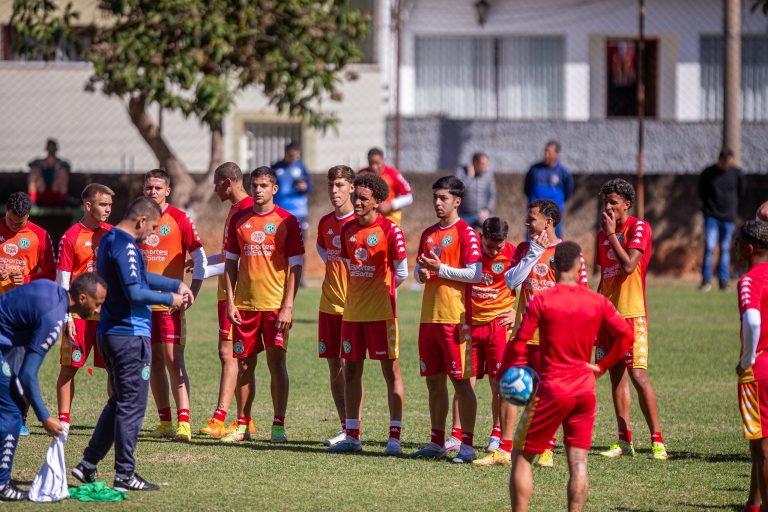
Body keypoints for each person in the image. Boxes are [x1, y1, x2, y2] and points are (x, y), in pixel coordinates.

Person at [72, 197, 193, 492]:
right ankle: (125, 474)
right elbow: (135, 292)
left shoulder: (110, 238)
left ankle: (87, 464)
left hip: (113, 332)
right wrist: (170, 300)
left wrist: (173, 283)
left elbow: (139, 276)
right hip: (128, 334)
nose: (150, 233)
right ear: (140, 221)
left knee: (118, 403)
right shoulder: (125, 244)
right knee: (132, 406)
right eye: (150, 227)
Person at [503, 241, 634, 512]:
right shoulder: (597, 301)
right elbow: (627, 335)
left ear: (553, 265)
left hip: (552, 389)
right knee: (578, 462)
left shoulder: (542, 300)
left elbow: (519, 342)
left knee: (522, 456)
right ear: (578, 265)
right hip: (584, 391)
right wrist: (602, 366)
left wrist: (509, 373)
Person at [0, 275, 107, 501]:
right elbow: (28, 374)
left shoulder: (53, 290)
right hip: (4, 344)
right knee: (11, 411)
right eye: (97, 304)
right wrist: (45, 417)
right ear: (82, 298)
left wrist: (65, 318)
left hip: (9, 341)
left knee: (13, 404)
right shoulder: (52, 319)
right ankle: (1, 484)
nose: (98, 310)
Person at [503, 199, 588, 468]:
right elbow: (510, 281)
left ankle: (547, 448)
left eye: (532, 219)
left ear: (548, 222)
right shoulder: (524, 248)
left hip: (552, 338)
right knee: (509, 387)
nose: (526, 223)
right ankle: (504, 447)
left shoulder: (567, 253)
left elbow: (581, 295)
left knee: (550, 393)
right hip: (522, 335)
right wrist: (532, 254)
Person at [326, 173, 408, 455]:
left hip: (382, 313)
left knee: (390, 371)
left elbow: (402, 272)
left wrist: (381, 293)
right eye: (356, 197)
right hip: (353, 314)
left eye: (363, 198)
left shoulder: (390, 230)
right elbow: (351, 267)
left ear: (377, 202)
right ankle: (352, 435)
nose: (357, 202)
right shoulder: (346, 230)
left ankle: (394, 438)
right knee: (351, 372)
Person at [222, 166, 304, 443]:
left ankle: (278, 425)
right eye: (254, 185)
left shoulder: (287, 221)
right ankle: (242, 424)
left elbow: (296, 267)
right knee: (244, 364)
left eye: (263, 186)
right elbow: (230, 263)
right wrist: (231, 302)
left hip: (274, 305)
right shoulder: (240, 219)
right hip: (245, 305)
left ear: (274, 189)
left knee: (276, 362)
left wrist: (288, 306)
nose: (258, 190)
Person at [409, 176, 483, 463]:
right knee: (434, 382)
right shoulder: (428, 234)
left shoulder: (467, 233)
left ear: (457, 201)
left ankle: (467, 444)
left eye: (443, 198)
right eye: (435, 198)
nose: (438, 203)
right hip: (429, 319)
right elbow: (417, 272)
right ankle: (437, 442)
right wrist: (423, 274)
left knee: (462, 383)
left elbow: (475, 273)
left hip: (455, 319)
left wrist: (442, 269)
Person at [595, 178, 668, 460]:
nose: (608, 207)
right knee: (616, 377)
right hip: (608, 315)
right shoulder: (602, 234)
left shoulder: (639, 227)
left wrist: (612, 235)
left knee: (638, 375)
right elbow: (606, 276)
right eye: (605, 203)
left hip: (632, 314)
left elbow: (627, 266)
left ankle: (657, 441)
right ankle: (624, 440)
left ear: (627, 203)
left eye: (613, 202)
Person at [138, 169, 207, 442]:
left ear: (168, 190)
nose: (152, 192)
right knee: (152, 360)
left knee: (173, 360)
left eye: (157, 187)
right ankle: (165, 421)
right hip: (142, 305)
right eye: (148, 187)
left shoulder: (180, 219)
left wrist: (194, 293)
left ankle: (184, 422)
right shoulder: (137, 219)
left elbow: (200, 258)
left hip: (170, 305)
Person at [447, 217, 517, 467]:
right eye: (490, 246)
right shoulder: (471, 252)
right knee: (464, 383)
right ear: (481, 237)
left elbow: (530, 284)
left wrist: (517, 312)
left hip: (498, 325)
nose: (494, 251)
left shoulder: (513, 254)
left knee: (498, 384)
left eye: (499, 247)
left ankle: (497, 433)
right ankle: (458, 436)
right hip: (469, 324)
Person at [199, 162, 256, 438]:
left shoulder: (247, 211)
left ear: (227, 182)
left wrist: (205, 271)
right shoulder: (235, 210)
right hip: (227, 291)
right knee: (233, 354)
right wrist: (200, 262)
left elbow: (243, 260)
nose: (213, 188)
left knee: (230, 353)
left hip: (239, 294)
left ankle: (220, 417)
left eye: (216, 183)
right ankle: (246, 418)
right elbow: (227, 255)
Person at [55, 184, 114, 429]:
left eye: (110, 205)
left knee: (113, 367)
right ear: (88, 205)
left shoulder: (113, 234)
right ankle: (64, 421)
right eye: (103, 204)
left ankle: (116, 418)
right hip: (78, 316)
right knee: (70, 367)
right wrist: (66, 318)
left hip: (106, 314)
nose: (108, 209)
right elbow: (63, 280)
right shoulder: (70, 237)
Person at [0, 191, 56, 435]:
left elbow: (53, 273)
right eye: (11, 221)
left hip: (23, 313)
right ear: (6, 211)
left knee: (18, 367)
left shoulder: (40, 236)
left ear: (29, 216)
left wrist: (28, 278)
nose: (15, 225)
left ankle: (19, 418)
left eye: (20, 223)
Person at [316, 165, 359, 447]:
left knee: (350, 368)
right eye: (332, 185)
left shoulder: (360, 223)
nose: (335, 191)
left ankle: (354, 429)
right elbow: (323, 249)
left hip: (354, 308)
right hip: (328, 305)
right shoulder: (325, 223)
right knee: (334, 366)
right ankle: (345, 427)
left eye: (341, 185)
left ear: (352, 188)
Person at [734, 220, 768, 512]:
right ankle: (753, 503)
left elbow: (753, 320)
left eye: (736, 244)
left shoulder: (750, 280)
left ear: (748, 248)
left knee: (761, 449)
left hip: (760, 373)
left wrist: (747, 359)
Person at [698, 148, 746, 292]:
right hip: (711, 216)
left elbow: (741, 191)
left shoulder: (737, 174)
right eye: (725, 162)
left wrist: (732, 208)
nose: (727, 165)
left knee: (725, 249)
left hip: (728, 218)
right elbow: (701, 191)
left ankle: (723, 281)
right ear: (720, 160)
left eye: (729, 162)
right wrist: (708, 209)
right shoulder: (708, 173)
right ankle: (706, 281)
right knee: (710, 248)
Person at [524, 141, 573, 238]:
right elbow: (526, 188)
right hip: (535, 213)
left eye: (549, 152)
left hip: (553, 213)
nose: (546, 154)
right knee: (531, 240)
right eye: (545, 151)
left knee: (554, 240)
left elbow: (568, 191)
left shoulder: (563, 172)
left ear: (556, 154)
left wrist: (557, 205)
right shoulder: (534, 170)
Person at [358, 147, 413, 226]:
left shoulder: (394, 174)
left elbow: (409, 197)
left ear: (383, 160)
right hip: (367, 218)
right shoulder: (362, 174)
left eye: (377, 163)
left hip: (390, 217)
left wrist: (391, 205)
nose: (374, 167)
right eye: (371, 163)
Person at [272, 141, 311, 242]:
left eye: (296, 156)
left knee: (299, 245)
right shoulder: (276, 167)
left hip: (299, 211)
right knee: (280, 244)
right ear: (286, 153)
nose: (294, 158)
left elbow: (310, 186)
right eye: (291, 155)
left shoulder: (301, 167)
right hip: (280, 211)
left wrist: (305, 187)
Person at [455, 152, 496, 229]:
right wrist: (469, 177)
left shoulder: (489, 175)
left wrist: (487, 209)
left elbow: (492, 195)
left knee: (493, 228)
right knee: (461, 234)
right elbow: (458, 190)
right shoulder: (461, 172)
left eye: (487, 164)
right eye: (483, 164)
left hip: (482, 213)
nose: (486, 167)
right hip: (464, 214)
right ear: (475, 163)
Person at [27, 138, 70, 207]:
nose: (51, 149)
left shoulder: (60, 163)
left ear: (56, 149)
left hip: (55, 191)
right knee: (35, 170)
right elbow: (30, 164)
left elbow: (68, 165)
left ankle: (63, 199)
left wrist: (57, 166)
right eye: (49, 147)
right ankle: (32, 200)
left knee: (62, 172)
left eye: (53, 147)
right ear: (46, 148)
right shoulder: (40, 161)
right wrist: (40, 164)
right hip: (42, 190)